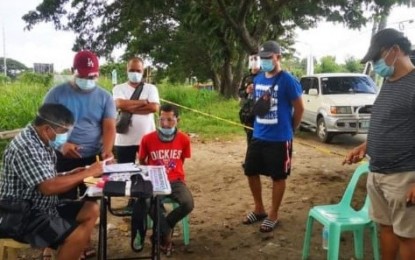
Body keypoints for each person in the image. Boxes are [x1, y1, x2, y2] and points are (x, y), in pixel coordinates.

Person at [343, 28, 415, 260]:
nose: (375, 64)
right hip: (378, 173)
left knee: (407, 236)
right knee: (385, 227)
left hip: (404, 176)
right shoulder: (388, 81)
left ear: (395, 50)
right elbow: (389, 122)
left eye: (377, 57)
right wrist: (365, 146)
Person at [0, 104, 103, 260]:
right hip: (21, 214)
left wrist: (68, 174)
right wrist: (88, 173)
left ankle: (68, 253)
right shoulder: (26, 147)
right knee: (76, 234)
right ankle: (69, 247)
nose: (66, 137)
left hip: (42, 206)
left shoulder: (40, 140)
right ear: (47, 129)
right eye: (63, 132)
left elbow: (45, 176)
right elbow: (47, 187)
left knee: (91, 208)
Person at [242, 40, 304, 233]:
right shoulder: (258, 79)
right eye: (263, 58)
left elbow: (299, 108)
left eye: (269, 57)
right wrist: (248, 92)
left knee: (278, 177)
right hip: (258, 135)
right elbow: (258, 104)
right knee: (251, 171)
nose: (266, 61)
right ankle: (259, 208)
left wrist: (290, 129)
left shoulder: (288, 80)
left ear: (278, 57)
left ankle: (273, 214)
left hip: (279, 139)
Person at [43, 50, 117, 201]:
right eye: (82, 76)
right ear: (72, 70)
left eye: (91, 76)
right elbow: (45, 125)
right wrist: (61, 145)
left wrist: (107, 151)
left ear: (98, 73)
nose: (87, 79)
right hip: (63, 159)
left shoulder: (105, 97)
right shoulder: (56, 94)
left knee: (91, 197)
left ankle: (89, 221)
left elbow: (109, 127)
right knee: (64, 200)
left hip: (93, 161)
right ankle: (68, 223)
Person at [138, 104, 194, 256]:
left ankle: (161, 231)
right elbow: (142, 160)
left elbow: (181, 160)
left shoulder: (184, 139)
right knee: (147, 203)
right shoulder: (147, 139)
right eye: (162, 120)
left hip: (176, 180)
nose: (165, 124)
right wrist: (151, 175)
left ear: (178, 120)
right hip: (154, 180)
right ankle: (166, 234)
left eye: (170, 120)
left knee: (188, 203)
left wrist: (172, 174)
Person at [112, 57, 160, 164]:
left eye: (138, 71)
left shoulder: (151, 88)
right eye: (132, 70)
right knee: (124, 173)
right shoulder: (118, 88)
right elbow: (119, 104)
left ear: (143, 72)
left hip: (147, 139)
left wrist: (127, 106)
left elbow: (153, 108)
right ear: (127, 70)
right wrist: (143, 102)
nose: (135, 73)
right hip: (123, 140)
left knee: (148, 172)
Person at [238, 54, 261, 144]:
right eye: (252, 60)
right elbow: (240, 93)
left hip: (260, 112)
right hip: (247, 113)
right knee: (250, 138)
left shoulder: (264, 77)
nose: (254, 65)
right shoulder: (246, 78)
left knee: (260, 139)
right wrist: (247, 91)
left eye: (256, 60)